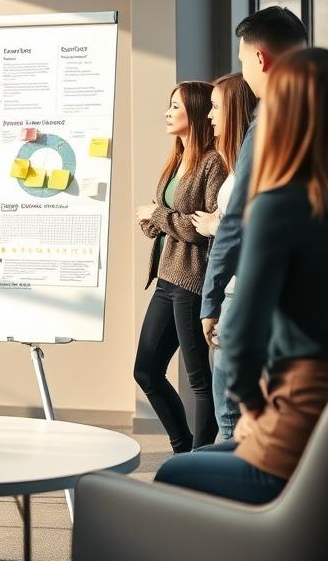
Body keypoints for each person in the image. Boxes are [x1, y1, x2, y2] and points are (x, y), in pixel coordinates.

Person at [155, 48, 328, 504]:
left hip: (296, 449)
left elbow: (243, 335)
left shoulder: (281, 205)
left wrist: (252, 409)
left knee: (175, 472)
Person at [200, 6, 308, 362]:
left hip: (257, 292)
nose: (243, 72)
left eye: (243, 61)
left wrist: (211, 298)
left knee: (231, 408)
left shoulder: (267, 124)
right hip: (318, 298)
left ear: (260, 58)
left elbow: (236, 220)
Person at [135, 81, 227, 452]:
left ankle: (199, 457)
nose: (168, 113)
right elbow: (175, 217)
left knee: (198, 380)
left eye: (176, 106)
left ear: (196, 111)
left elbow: (207, 229)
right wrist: (155, 221)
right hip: (166, 276)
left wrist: (160, 214)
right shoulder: (177, 158)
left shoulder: (213, 163)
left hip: (191, 280)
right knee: (146, 370)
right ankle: (182, 447)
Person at [190, 72, 256, 439]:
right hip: (229, 289)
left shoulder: (242, 159)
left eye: (215, 107)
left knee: (227, 410)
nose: (210, 116)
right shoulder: (238, 162)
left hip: (235, 291)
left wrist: (218, 226)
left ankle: (228, 488)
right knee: (225, 404)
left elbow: (242, 227)